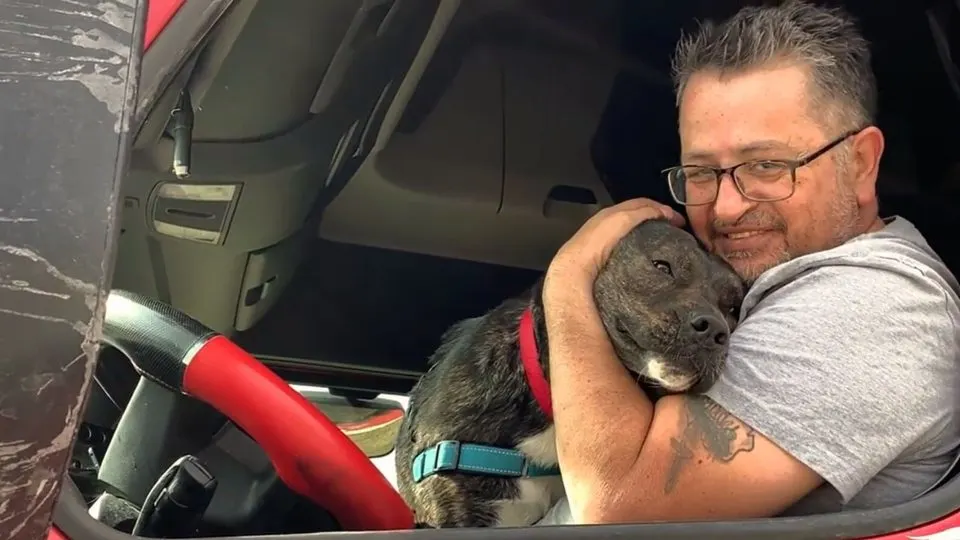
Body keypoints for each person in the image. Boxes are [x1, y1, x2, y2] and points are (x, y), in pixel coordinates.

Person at [536, 0, 960, 525]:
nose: (727, 207)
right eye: (701, 172)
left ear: (861, 163)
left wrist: (570, 275)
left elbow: (617, 511)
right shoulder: (777, 285)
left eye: (766, 165)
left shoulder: (875, 305)